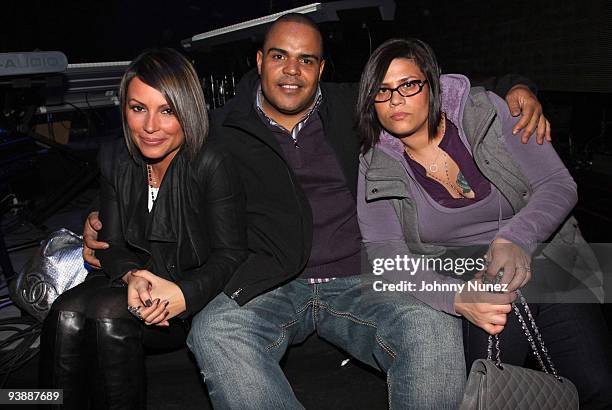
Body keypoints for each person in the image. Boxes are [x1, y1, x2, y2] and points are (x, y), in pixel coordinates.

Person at [83, 14, 550, 409]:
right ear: (260, 61)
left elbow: (436, 89)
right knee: (215, 332)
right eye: (280, 56)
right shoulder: (220, 127)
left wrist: (515, 88)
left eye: (306, 59)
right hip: (266, 281)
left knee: (431, 327)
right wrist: (105, 217)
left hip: (361, 277)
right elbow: (158, 157)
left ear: (321, 68)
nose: (292, 70)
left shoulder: (355, 107)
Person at [356, 37, 612, 409]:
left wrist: (515, 239)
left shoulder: (489, 113)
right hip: (463, 275)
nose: (396, 100)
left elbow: (557, 184)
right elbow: (384, 255)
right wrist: (456, 297)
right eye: (382, 91)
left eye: (408, 85)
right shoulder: (374, 161)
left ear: (432, 84)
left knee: (599, 387)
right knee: (503, 308)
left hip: (546, 253)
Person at [38, 48, 247, 409]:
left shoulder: (213, 161)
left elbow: (231, 254)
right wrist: (132, 274)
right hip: (128, 282)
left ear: (189, 111)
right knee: (65, 313)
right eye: (138, 109)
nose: (150, 126)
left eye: (167, 111)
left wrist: (181, 293)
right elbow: (111, 242)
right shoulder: (116, 157)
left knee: (105, 317)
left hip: (186, 294)